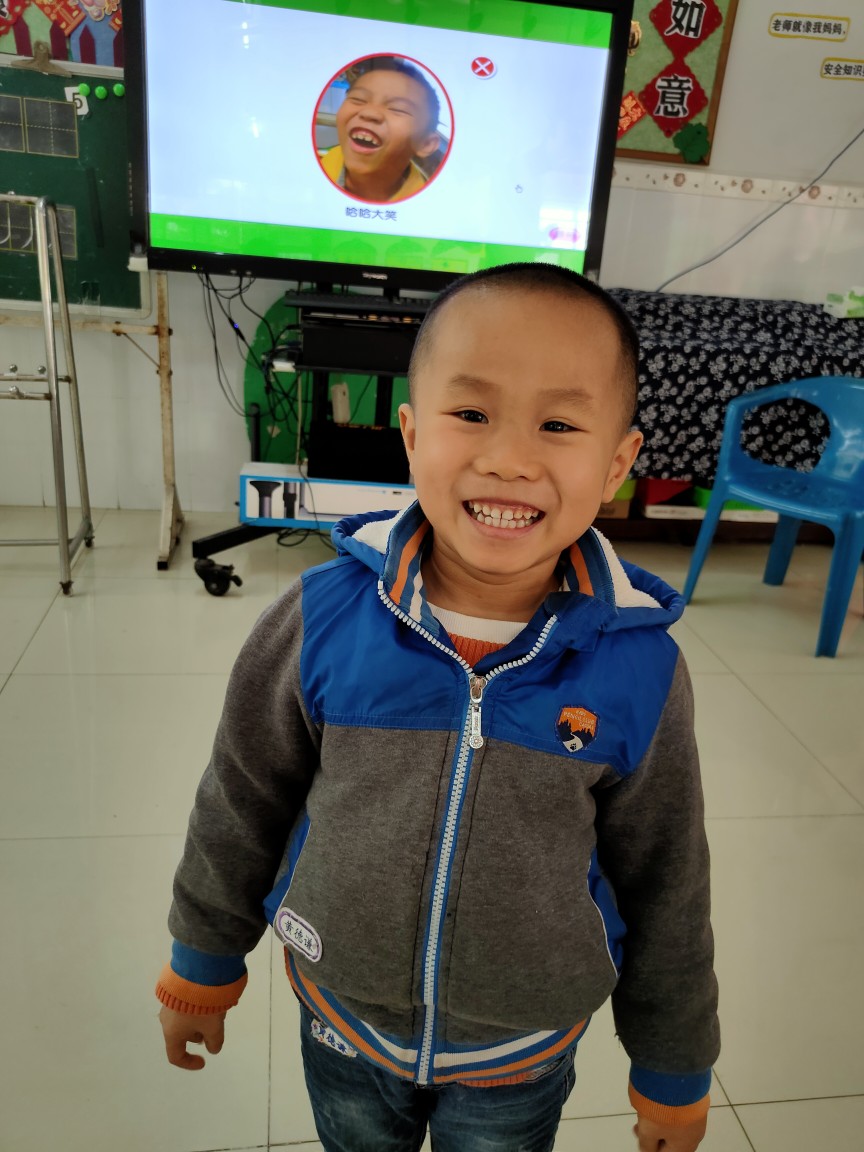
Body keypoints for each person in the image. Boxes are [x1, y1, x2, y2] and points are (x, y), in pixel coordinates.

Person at [157, 263, 720, 1152]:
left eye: (559, 425)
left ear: (617, 463)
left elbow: (668, 876)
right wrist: (202, 957)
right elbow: (240, 800)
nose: (509, 459)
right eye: (471, 414)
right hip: (343, 1024)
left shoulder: (641, 665)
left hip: (521, 1051)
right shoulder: (318, 618)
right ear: (412, 436)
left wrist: (674, 1065)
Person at [319, 57, 443, 202]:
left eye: (398, 109)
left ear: (426, 144)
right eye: (358, 99)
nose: (369, 112)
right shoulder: (333, 156)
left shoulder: (425, 205)